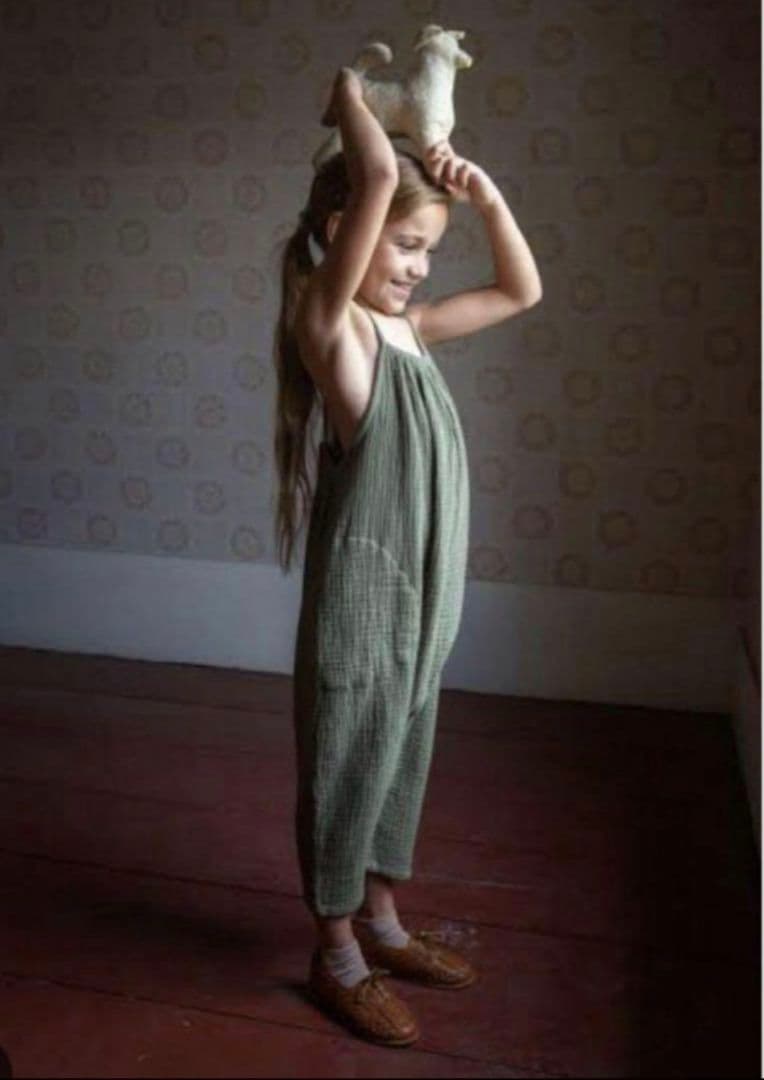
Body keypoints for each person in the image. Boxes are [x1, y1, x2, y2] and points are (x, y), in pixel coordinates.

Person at [271, 66, 543, 1048]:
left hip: (425, 593)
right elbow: (379, 178)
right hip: (365, 598)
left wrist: (487, 199)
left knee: (401, 752)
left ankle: (382, 922)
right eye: (406, 245)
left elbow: (521, 290)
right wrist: (350, 98)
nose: (421, 267)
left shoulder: (412, 331)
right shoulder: (332, 328)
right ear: (345, 226)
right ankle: (336, 950)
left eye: (430, 250)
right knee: (349, 755)